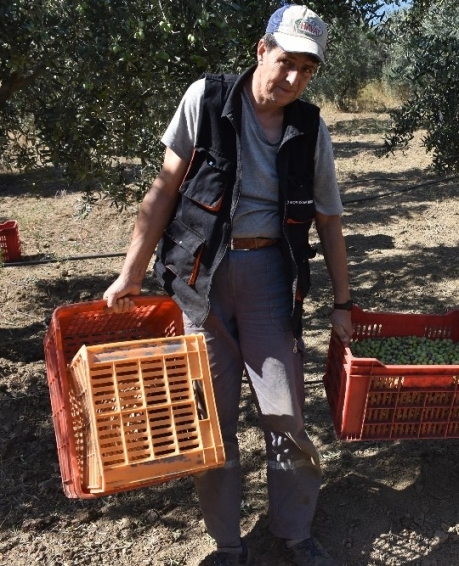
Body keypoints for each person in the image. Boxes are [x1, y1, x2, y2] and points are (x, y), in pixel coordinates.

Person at [103, 4, 351, 566]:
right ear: (262, 50)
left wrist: (344, 301)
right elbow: (165, 189)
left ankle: (293, 531)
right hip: (202, 279)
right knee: (208, 421)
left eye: (306, 70)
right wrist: (131, 272)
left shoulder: (311, 127)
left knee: (286, 415)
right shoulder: (207, 99)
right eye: (286, 62)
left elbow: (330, 220)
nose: (292, 79)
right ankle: (228, 544)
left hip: (271, 279)